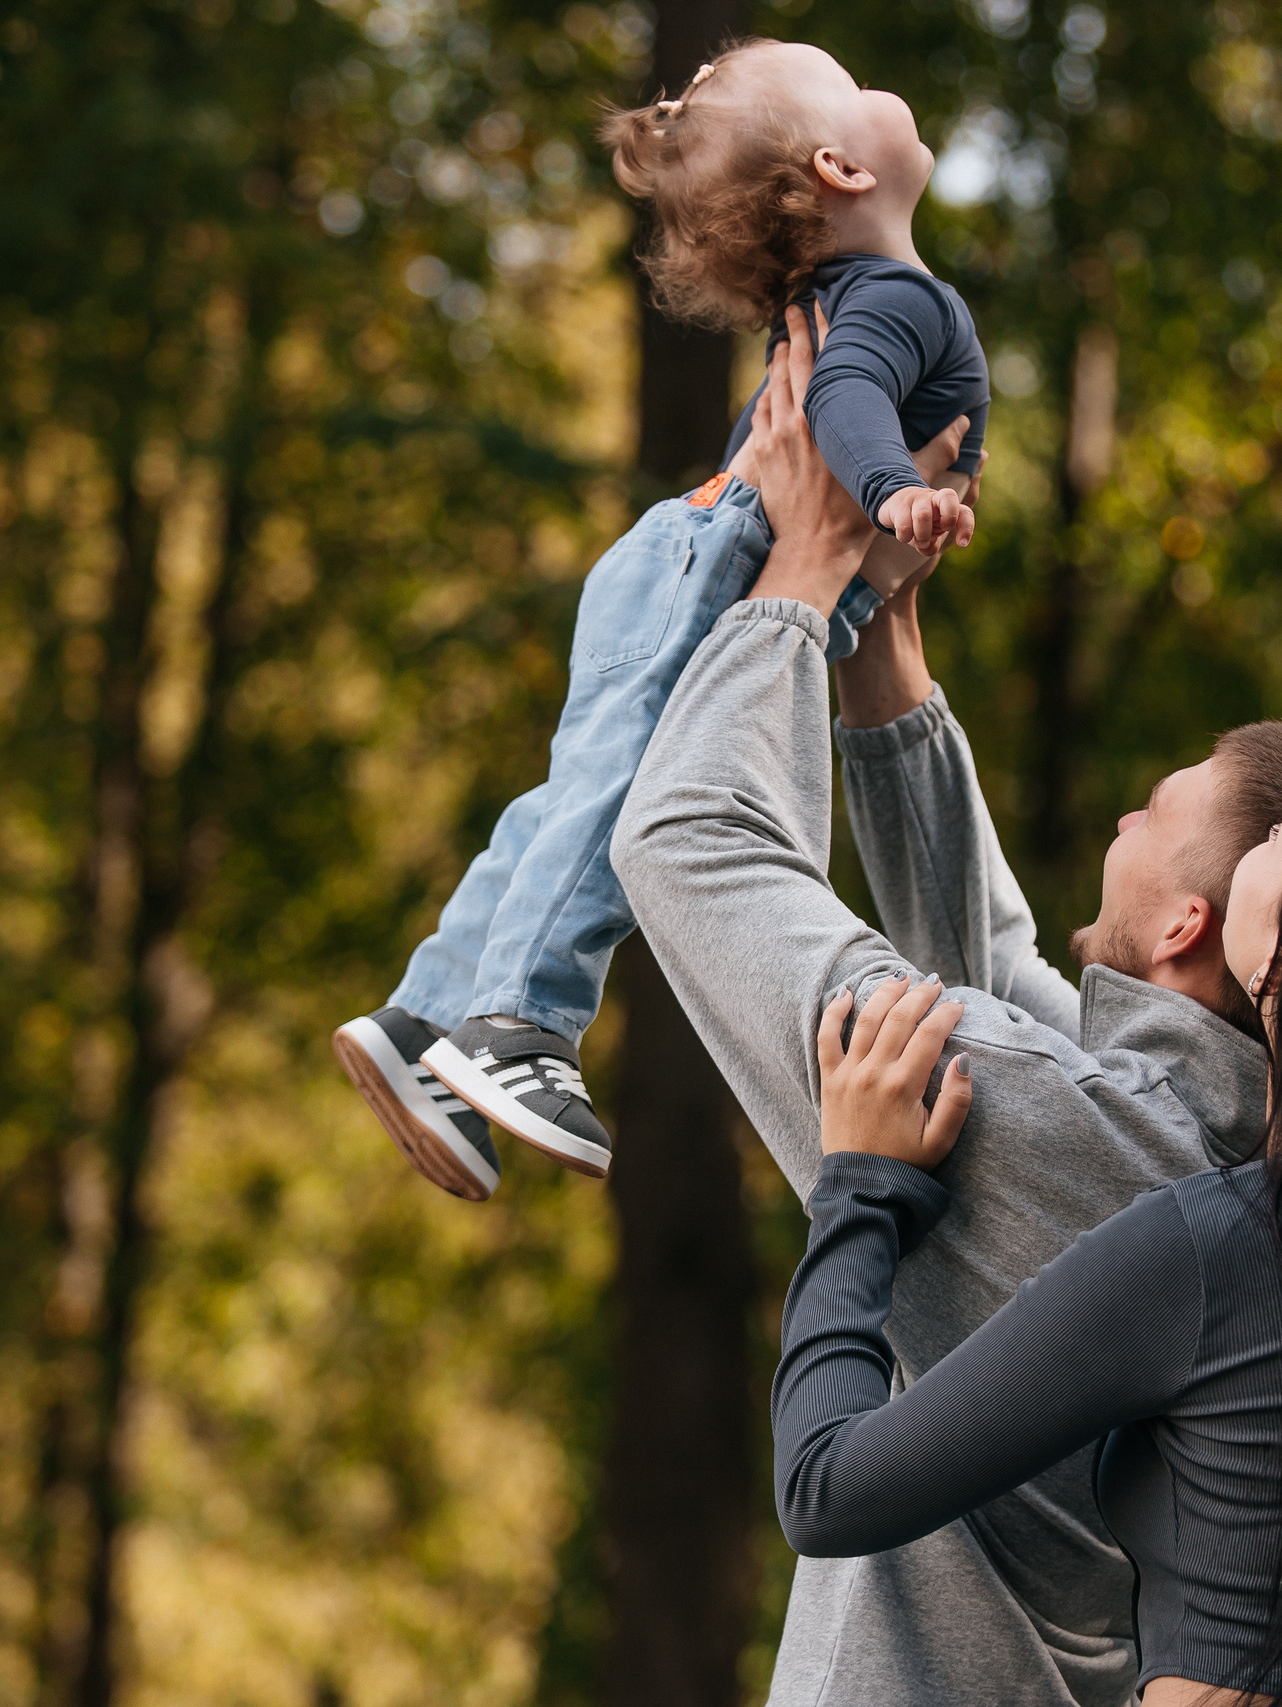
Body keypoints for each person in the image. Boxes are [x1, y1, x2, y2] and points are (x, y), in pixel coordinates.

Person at [606, 311, 1282, 1706]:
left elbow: (690, 842)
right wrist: (882, 626)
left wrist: (803, 565)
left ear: (1188, 925)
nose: (1125, 815)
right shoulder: (1217, 1152)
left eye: (1154, 811)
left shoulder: (1085, 1144)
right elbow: (988, 971)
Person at [773, 755, 1282, 1707]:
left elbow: (827, 1488)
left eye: (1280, 840)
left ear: (1281, 962)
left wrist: (859, 1185)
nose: (1256, 844)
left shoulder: (1209, 1253)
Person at [333, 37, 989, 1195]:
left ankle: (426, 1019)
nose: (881, 85)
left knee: (575, 794)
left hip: (681, 552)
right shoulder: (897, 299)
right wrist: (892, 490)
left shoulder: (853, 297)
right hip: (716, 559)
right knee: (617, 796)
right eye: (849, 82)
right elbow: (843, 398)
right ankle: (521, 1025)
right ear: (841, 167)